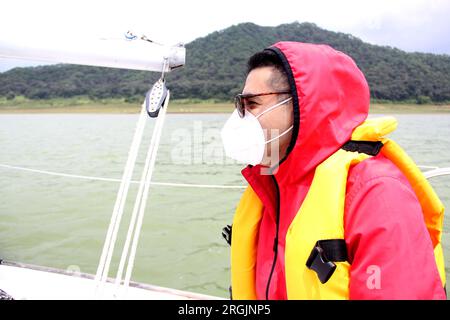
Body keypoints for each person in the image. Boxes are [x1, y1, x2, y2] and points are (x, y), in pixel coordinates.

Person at [220, 41, 446, 300]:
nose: (241, 117)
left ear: (304, 103)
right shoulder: (273, 184)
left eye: (252, 104)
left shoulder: (377, 193)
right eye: (240, 105)